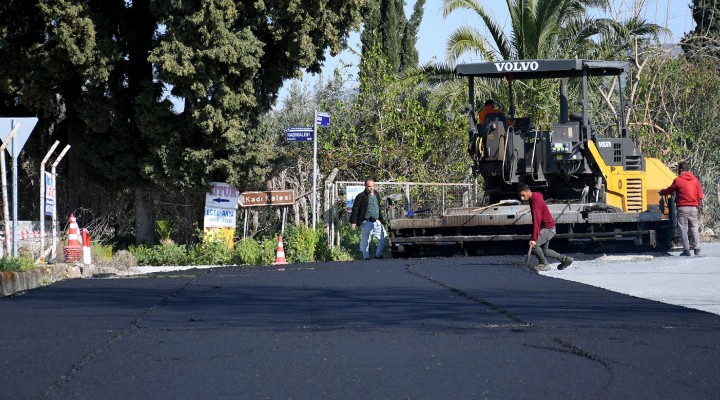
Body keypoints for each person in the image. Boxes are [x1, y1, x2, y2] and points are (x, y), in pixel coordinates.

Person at [517, 183, 573, 271]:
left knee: (534, 246)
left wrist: (533, 238)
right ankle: (565, 259)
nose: (522, 198)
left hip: (548, 228)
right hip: (549, 227)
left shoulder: (536, 203)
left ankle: (544, 264)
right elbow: (540, 194)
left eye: (523, 195)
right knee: (544, 251)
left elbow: (536, 222)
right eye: (520, 196)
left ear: (528, 192)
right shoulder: (535, 196)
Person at [659, 162, 704, 256]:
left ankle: (686, 250)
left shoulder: (678, 180)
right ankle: (697, 248)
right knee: (694, 228)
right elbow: (700, 194)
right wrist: (698, 204)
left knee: (683, 229)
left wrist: (662, 192)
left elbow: (670, 190)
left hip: (682, 208)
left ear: (680, 170)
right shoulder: (695, 180)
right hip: (693, 207)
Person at [349, 178, 386, 260]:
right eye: (369, 186)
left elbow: (378, 208)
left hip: (376, 221)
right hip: (366, 222)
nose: (371, 188)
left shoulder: (376, 194)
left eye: (373, 186)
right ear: (365, 186)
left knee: (383, 238)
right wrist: (353, 222)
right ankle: (366, 258)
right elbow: (355, 209)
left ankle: (378, 255)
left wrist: (381, 219)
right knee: (365, 241)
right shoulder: (361, 196)